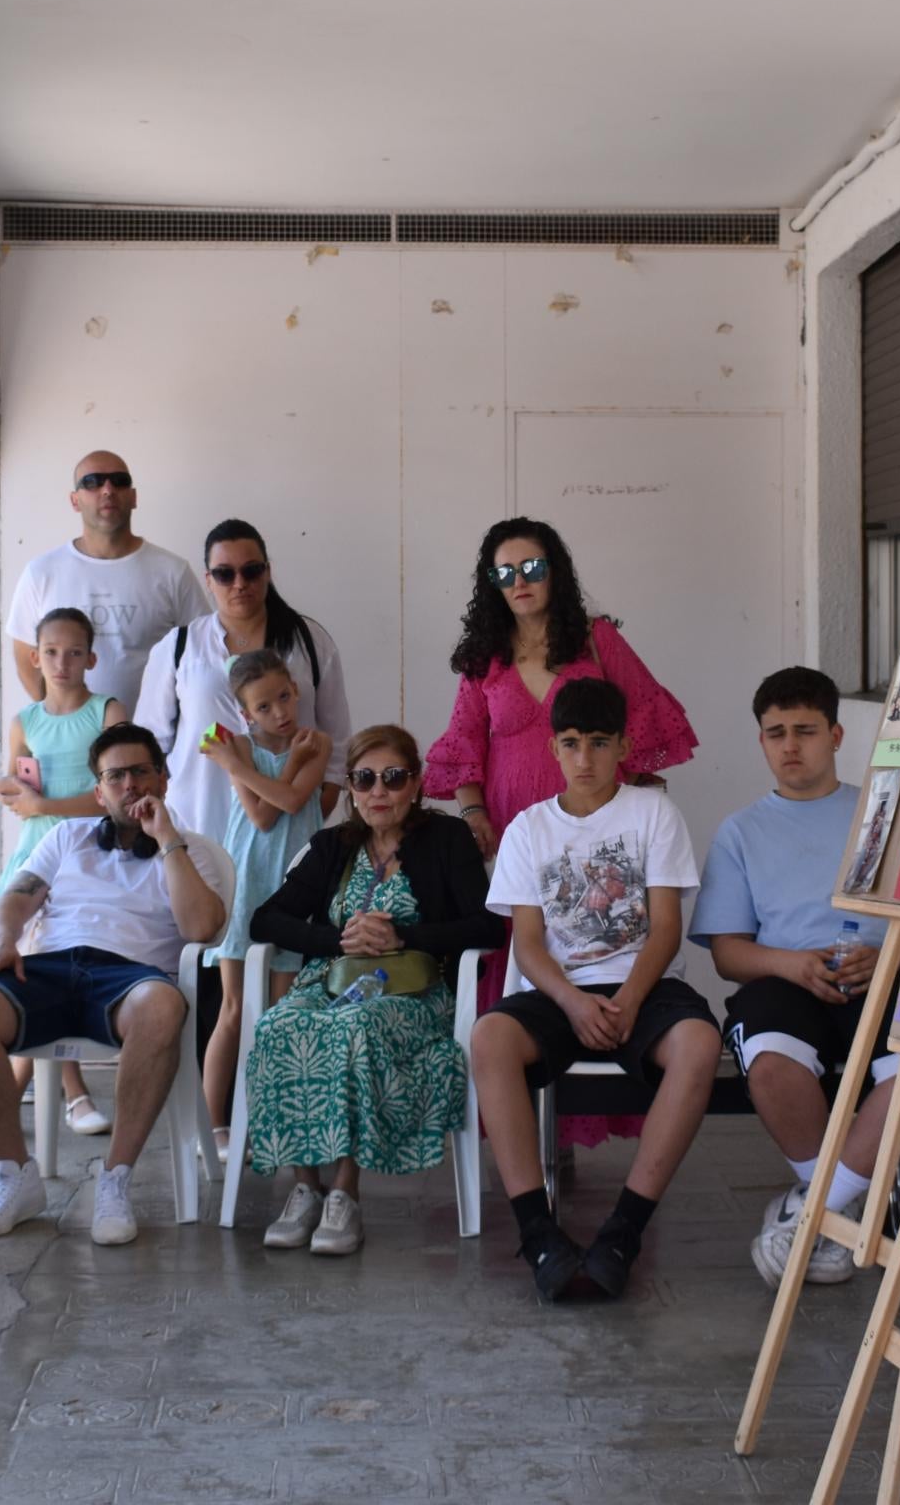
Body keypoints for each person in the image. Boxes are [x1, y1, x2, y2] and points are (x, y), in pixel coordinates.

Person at [426, 518, 698, 1152]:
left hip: (595, 836)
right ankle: (535, 1139)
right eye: (505, 572)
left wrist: (633, 822)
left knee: (597, 947)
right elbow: (463, 749)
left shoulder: (597, 640)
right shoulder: (482, 660)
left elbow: (647, 730)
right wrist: (473, 817)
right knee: (527, 968)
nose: (520, 582)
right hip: (517, 839)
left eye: (534, 568)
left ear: (557, 571)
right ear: (489, 583)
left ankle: (579, 1129)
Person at [693, 667, 900, 1290]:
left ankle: (814, 1213)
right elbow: (727, 953)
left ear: (835, 734)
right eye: (775, 733)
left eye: (805, 730)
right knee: (773, 1064)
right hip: (784, 978)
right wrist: (790, 964)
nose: (790, 745)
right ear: (761, 742)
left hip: (882, 978)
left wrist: (887, 955)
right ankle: (844, 1204)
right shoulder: (740, 832)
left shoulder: (883, 812)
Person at [470, 678, 720, 1302]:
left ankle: (623, 1232)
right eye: (573, 744)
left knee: (697, 1045)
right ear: (553, 748)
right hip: (561, 990)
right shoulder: (529, 829)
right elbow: (528, 941)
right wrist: (573, 1002)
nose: (585, 759)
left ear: (624, 747)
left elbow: (665, 929)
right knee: (490, 1039)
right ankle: (539, 1233)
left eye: (600, 743)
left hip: (645, 984)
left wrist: (629, 1000)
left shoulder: (653, 813)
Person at [0, 724, 227, 1248]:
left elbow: (201, 930)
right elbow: (13, 902)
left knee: (163, 1006)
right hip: (50, 968)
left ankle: (115, 1179)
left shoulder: (190, 851)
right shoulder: (66, 836)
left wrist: (168, 842)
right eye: (115, 776)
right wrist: (4, 938)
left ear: (163, 779)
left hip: (131, 978)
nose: (130, 785)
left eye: (141, 771)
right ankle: (14, 1174)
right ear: (99, 792)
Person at [242, 725, 502, 1255]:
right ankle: (305, 1189)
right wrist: (336, 938)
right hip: (330, 982)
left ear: (416, 785)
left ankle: (344, 1195)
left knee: (356, 1028)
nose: (377, 791)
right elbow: (264, 920)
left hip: (414, 993)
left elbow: (488, 928)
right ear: (352, 789)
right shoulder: (333, 846)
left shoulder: (446, 840)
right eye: (364, 779)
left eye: (392, 778)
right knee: (278, 1025)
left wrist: (402, 934)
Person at [0, 606, 128, 1136]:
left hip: (91, 851)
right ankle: (69, 1095)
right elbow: (17, 781)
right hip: (34, 852)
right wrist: (7, 789)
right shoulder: (24, 721)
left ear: (91, 657)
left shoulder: (107, 712)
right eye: (51, 652)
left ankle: (36, 1095)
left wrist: (46, 809)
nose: (62, 662)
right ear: (35, 657)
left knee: (65, 958)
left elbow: (118, 796)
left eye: (74, 652)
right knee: (28, 963)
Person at [135, 517, 352, 841]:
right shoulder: (179, 648)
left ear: (267, 571)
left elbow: (337, 740)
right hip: (199, 827)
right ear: (208, 580)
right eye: (224, 574)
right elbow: (149, 743)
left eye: (251, 571)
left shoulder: (309, 642)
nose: (239, 583)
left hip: (289, 833)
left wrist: (318, 808)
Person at [193, 650, 329, 1149]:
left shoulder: (317, 743)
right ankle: (215, 1126)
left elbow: (288, 805)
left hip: (293, 884)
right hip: (246, 877)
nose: (279, 713)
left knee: (282, 1009)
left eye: (284, 697)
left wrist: (236, 763)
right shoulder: (243, 747)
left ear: (295, 689)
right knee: (232, 1008)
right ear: (246, 715)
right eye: (264, 707)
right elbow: (257, 816)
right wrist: (240, 760)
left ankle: (275, 1122)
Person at [5, 449, 209, 709]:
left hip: (154, 743)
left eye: (119, 481)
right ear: (74, 500)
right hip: (69, 745)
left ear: (134, 497)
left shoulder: (172, 571)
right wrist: (57, 722)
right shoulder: (42, 572)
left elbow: (203, 653)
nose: (108, 489)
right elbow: (25, 655)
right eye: (92, 482)